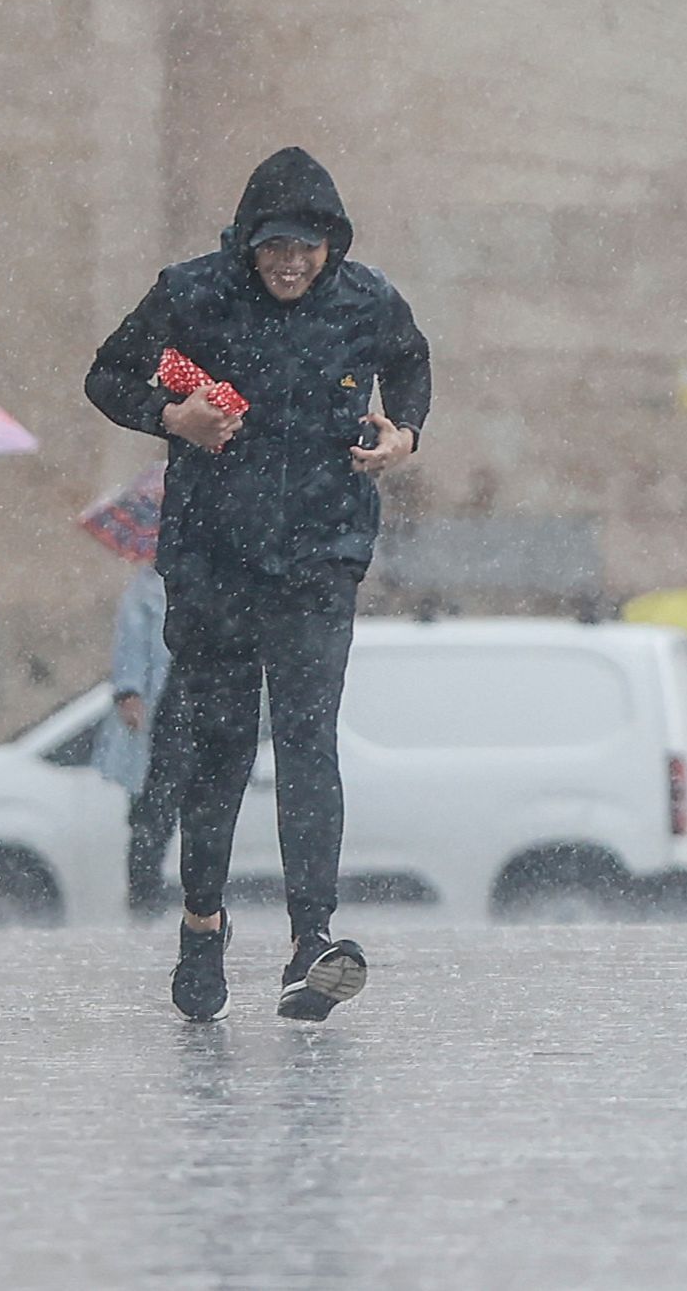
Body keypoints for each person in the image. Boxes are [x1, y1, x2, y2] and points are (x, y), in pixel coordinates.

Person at [84, 145, 430, 1023]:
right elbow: (106, 373)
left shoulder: (367, 300)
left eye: (307, 247)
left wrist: (405, 434)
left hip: (321, 554)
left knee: (309, 739)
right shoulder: (192, 295)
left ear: (332, 247)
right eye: (274, 246)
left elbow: (411, 365)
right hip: (213, 561)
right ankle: (202, 924)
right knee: (219, 747)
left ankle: (310, 941)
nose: (289, 262)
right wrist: (172, 414)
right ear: (245, 243)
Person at [98, 561, 184, 919]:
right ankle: (145, 901)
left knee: (186, 813)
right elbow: (131, 647)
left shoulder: (215, 581)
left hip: (193, 705)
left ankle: (184, 900)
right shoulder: (146, 589)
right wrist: (129, 691)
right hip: (158, 715)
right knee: (151, 818)